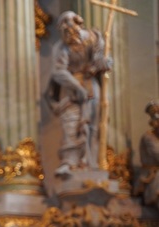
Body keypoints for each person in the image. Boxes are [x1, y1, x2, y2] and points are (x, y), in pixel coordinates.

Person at [44, 11, 112, 178]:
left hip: (90, 85)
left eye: (69, 29)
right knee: (71, 122)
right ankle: (69, 162)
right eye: (64, 32)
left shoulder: (93, 38)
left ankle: (90, 161)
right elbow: (58, 71)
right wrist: (77, 87)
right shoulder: (61, 47)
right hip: (70, 87)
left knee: (92, 124)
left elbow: (98, 61)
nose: (67, 35)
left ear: (77, 25)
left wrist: (103, 63)